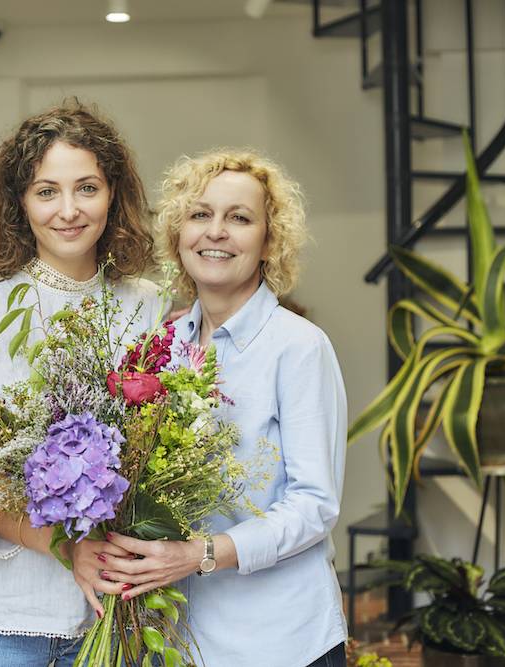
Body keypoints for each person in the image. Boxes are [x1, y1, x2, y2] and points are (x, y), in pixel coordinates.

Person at [93, 149, 348, 666]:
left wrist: (199, 555)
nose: (216, 232)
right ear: (177, 233)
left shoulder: (298, 347)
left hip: (282, 641)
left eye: (240, 218)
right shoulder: (162, 346)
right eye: (200, 214)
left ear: (268, 241)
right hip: (186, 640)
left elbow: (313, 505)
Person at [0, 102, 163, 666]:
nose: (68, 211)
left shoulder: (149, 307)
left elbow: (169, 452)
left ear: (114, 194)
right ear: (19, 203)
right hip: (2, 628)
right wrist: (66, 546)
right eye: (45, 191)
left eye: (86, 188)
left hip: (121, 619)